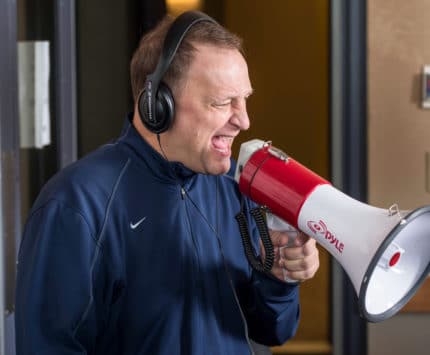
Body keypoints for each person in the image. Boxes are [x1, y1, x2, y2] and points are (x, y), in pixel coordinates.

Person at [15, 11, 320, 355]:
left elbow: (274, 329)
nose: (244, 121)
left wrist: (279, 278)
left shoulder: (236, 188)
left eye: (244, 99)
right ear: (157, 104)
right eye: (222, 102)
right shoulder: (75, 203)